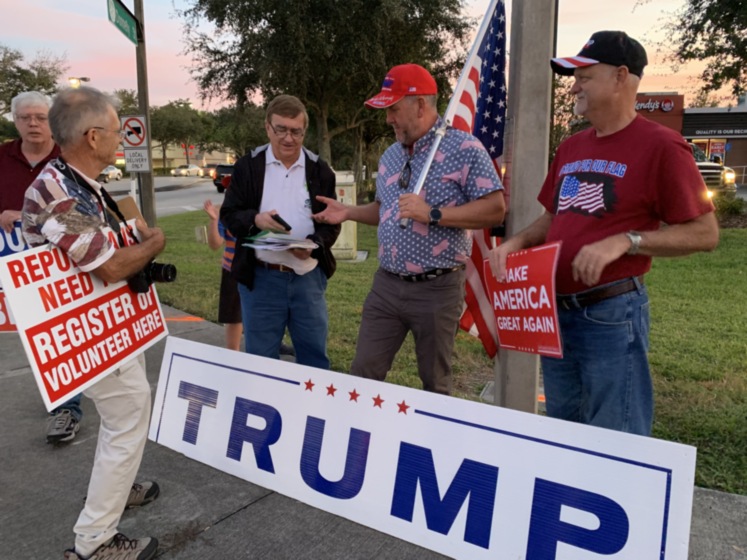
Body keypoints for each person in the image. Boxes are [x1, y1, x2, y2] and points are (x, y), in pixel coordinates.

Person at [488, 31, 719, 436]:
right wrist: (515, 242)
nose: (573, 86)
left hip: (611, 314)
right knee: (566, 430)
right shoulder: (572, 147)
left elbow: (705, 232)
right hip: (556, 311)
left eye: (585, 76)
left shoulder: (664, 146)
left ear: (621, 77)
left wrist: (627, 241)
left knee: (617, 435)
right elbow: (554, 218)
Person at [22, 86, 163, 559]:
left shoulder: (79, 181)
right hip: (83, 331)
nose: (123, 134)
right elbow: (108, 265)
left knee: (124, 415)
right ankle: (95, 542)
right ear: (93, 134)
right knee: (128, 415)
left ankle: (117, 490)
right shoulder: (58, 193)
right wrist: (153, 244)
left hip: (107, 324)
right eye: (117, 126)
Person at [313, 63, 506, 394]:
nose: (388, 118)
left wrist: (432, 213)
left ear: (420, 105)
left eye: (394, 109)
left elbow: (495, 209)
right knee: (363, 374)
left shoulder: (464, 149)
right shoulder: (390, 155)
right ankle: (363, 439)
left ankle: (433, 442)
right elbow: (386, 209)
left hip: (437, 288)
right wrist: (348, 213)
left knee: (435, 382)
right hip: (386, 286)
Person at [220, 95, 340, 368]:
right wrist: (256, 220)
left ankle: (311, 409)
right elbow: (229, 215)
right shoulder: (248, 167)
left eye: (296, 131)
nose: (288, 138)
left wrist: (313, 243)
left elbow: (332, 222)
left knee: (314, 359)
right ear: (267, 128)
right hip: (261, 278)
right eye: (281, 130)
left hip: (308, 279)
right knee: (262, 362)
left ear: (304, 131)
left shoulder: (320, 170)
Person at [0, 91, 86, 444]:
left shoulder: (70, 158)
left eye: (40, 116)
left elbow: (88, 216)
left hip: (60, 267)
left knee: (60, 334)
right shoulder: (2, 158)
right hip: (13, 270)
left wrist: (38, 217)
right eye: (25, 117)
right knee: (31, 337)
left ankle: (68, 409)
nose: (33, 123)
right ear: (15, 121)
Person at [203, 198, 243, 351]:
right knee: (234, 317)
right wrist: (214, 220)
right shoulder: (225, 211)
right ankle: (234, 357)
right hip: (232, 269)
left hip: (258, 269)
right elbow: (215, 244)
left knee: (263, 315)